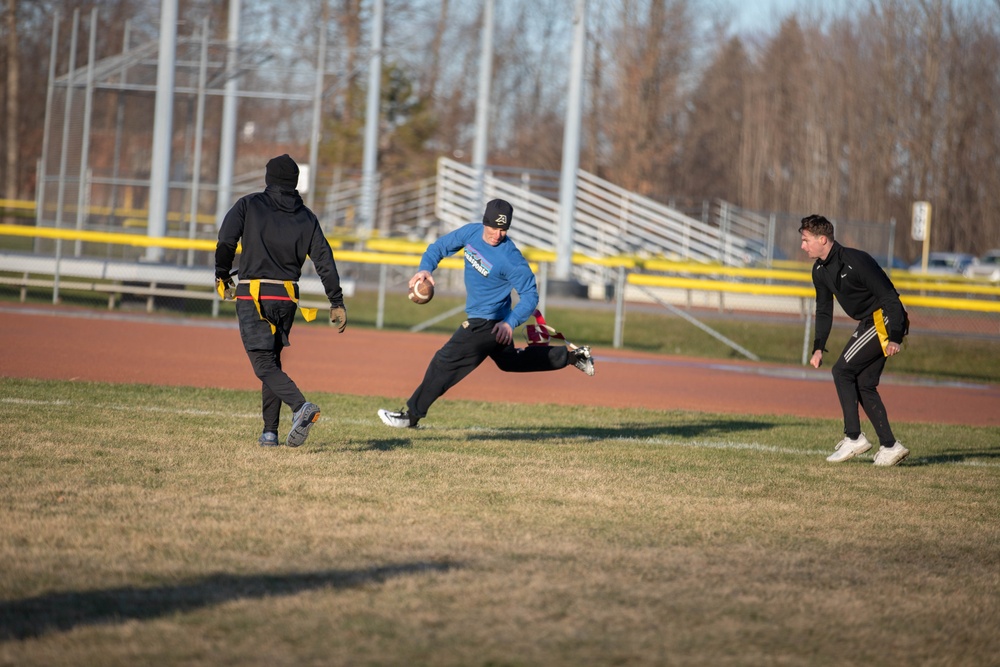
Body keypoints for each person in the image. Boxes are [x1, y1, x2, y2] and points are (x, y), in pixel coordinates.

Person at [377, 198, 594, 429]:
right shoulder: (471, 233)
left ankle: (410, 417)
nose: (497, 234)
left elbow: (530, 296)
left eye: (503, 229)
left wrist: (510, 323)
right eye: (493, 227)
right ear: (484, 222)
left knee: (444, 362)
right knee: (510, 362)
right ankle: (573, 357)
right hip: (492, 322)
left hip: (488, 323)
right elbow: (439, 247)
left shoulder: (511, 259)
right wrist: (425, 269)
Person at [215, 154, 348, 448]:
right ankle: (270, 432)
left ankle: (300, 406)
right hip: (287, 297)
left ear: (269, 178)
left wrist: (222, 275)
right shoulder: (307, 217)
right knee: (272, 362)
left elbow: (226, 241)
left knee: (262, 364)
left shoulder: (249, 205)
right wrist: (335, 301)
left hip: (253, 294)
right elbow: (324, 259)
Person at [799, 214, 910, 466]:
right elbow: (824, 310)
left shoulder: (856, 261)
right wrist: (818, 347)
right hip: (871, 322)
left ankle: (854, 437)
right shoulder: (819, 270)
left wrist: (895, 337)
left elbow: (890, 297)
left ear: (822, 239)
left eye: (806, 240)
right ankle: (891, 446)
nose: (803, 246)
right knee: (864, 383)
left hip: (885, 319)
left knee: (842, 371)